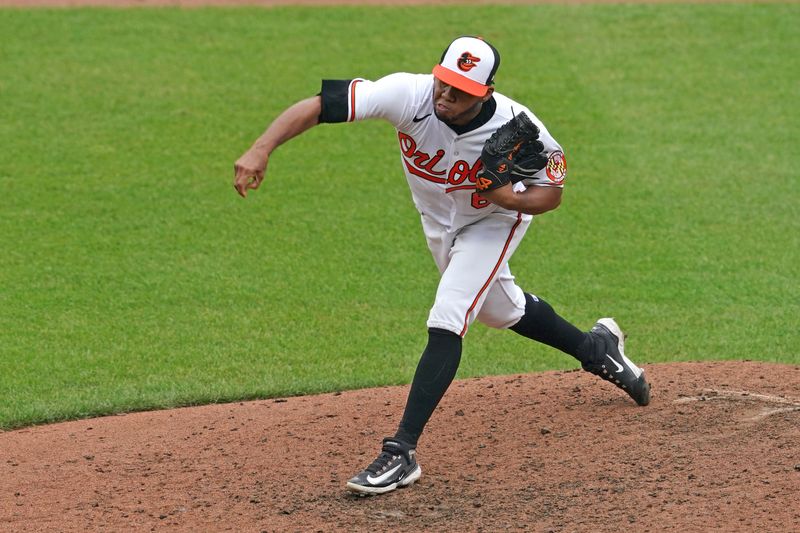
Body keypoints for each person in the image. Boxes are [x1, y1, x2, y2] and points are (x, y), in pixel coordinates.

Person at [233, 36, 651, 497]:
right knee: (498, 310)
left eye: (460, 92)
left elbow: (551, 193)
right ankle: (598, 348)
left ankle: (401, 452)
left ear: (486, 92)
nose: (445, 97)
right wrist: (261, 147)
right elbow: (319, 105)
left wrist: (505, 197)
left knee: (449, 314)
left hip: (494, 223)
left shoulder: (520, 127)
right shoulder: (407, 95)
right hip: (437, 223)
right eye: (443, 84)